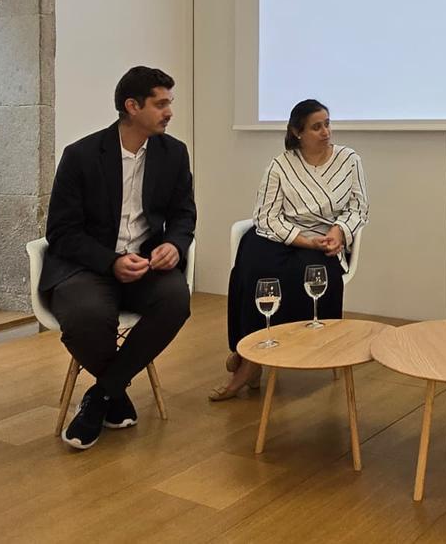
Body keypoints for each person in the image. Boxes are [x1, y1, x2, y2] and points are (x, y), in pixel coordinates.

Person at [43, 66, 196, 451]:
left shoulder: (174, 153)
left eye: (169, 103)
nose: (169, 112)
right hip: (89, 266)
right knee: (85, 315)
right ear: (132, 106)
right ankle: (115, 392)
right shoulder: (80, 156)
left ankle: (101, 393)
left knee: (176, 299)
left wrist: (174, 245)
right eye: (161, 104)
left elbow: (183, 214)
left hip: (145, 265)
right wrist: (110, 262)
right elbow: (61, 232)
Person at [211, 99, 369, 400]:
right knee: (255, 270)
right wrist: (301, 239)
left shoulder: (350, 160)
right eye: (316, 127)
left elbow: (358, 208)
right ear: (297, 132)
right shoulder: (280, 165)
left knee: (306, 275)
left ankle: (265, 356)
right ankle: (248, 355)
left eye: (327, 124)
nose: (325, 131)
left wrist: (338, 232)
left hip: (325, 239)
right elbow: (266, 216)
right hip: (280, 235)